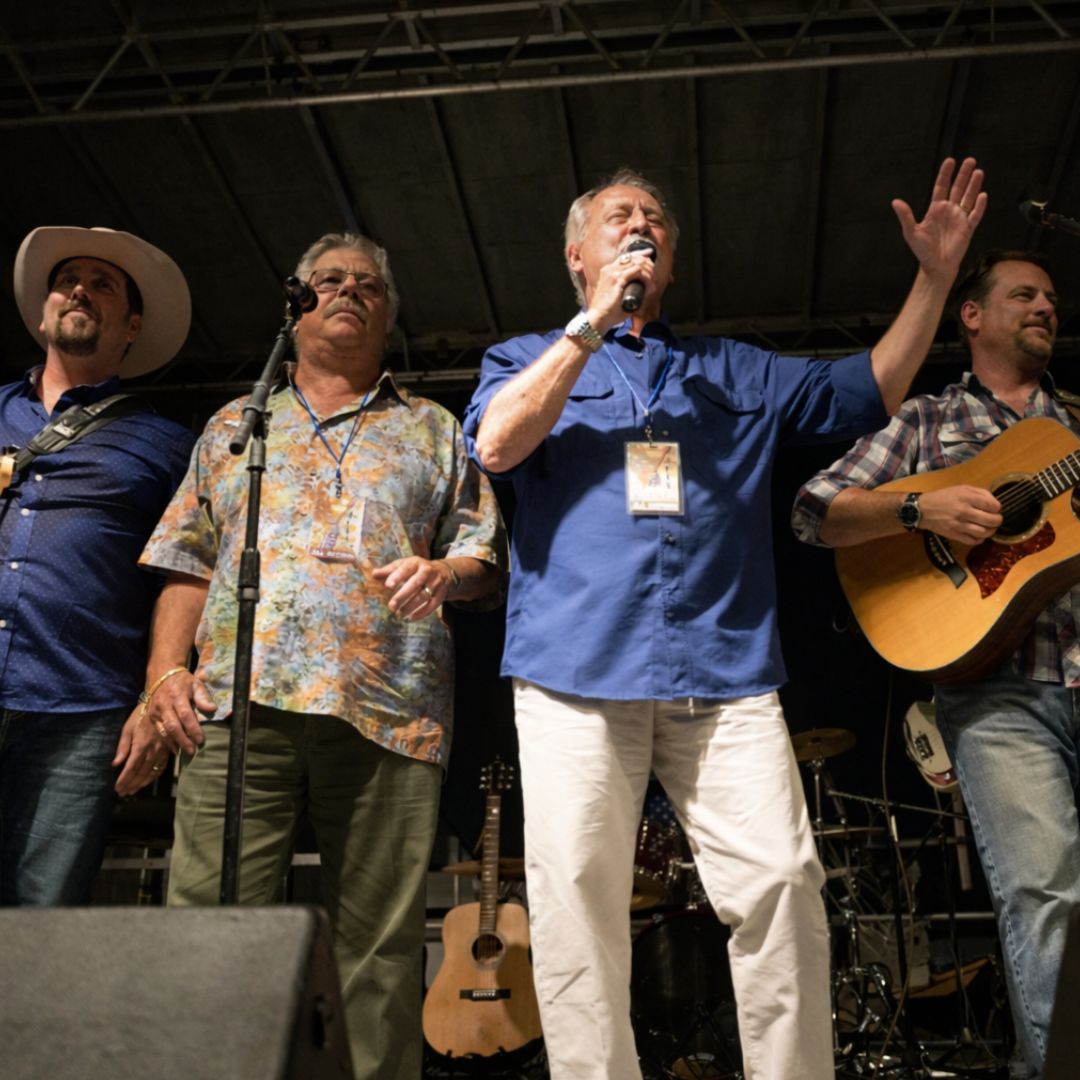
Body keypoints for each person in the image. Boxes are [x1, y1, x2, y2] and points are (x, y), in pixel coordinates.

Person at [462, 158, 986, 1080]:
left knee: (783, 882)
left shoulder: (734, 367)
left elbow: (870, 390)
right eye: (619, 215)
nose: (641, 224)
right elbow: (498, 444)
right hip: (574, 672)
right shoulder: (523, 357)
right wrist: (590, 327)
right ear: (577, 256)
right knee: (577, 903)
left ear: (671, 261)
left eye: (655, 218)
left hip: (724, 671)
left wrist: (936, 279)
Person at [134, 231, 506, 1080]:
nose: (348, 291)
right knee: (209, 933)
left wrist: (445, 573)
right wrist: (163, 676)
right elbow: (187, 561)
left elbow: (484, 558)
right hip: (236, 707)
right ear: (296, 308)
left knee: (377, 953)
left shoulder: (432, 428)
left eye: (368, 284)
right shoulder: (237, 425)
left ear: (389, 314)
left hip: (391, 713)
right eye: (328, 281)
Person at [792, 249, 1071, 1078]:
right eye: (1024, 294)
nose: (1045, 307)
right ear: (972, 316)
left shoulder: (1074, 426)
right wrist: (921, 506)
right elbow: (817, 509)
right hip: (999, 695)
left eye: (1053, 298)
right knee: (1048, 896)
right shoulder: (929, 420)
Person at [0, 226, 194, 906]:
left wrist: (153, 700)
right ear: (45, 311)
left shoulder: (168, 444)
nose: (79, 290)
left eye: (102, 284)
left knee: (43, 918)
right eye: (67, 281)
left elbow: (186, 573)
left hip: (81, 710)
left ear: (132, 325)